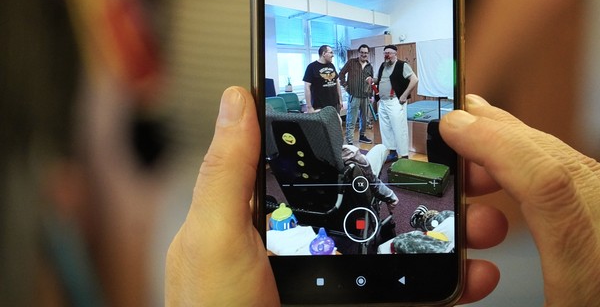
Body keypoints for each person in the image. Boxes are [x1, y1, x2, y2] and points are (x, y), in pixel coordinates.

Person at [166, 87, 600, 306]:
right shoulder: (350, 164)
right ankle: (402, 199)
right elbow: (367, 180)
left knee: (368, 153)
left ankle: (394, 185)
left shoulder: (282, 166)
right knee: (374, 157)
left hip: (315, 206)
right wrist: (371, 178)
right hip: (354, 189)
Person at [375, 44, 418, 162]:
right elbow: (379, 80)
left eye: (389, 53)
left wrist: (404, 95)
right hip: (383, 102)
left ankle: (404, 156)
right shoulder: (383, 65)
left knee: (400, 129)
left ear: (395, 54)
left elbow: (414, 79)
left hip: (395, 101)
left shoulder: (402, 65)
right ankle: (392, 153)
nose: (387, 55)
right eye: (385, 53)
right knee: (386, 129)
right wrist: (372, 80)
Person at [338, 44, 374, 145]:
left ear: (368, 54)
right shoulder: (351, 62)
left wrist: (370, 95)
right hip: (354, 95)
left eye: (366, 53)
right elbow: (341, 74)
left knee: (364, 119)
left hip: (365, 96)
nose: (364, 54)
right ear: (359, 52)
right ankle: (349, 140)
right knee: (351, 119)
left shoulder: (369, 67)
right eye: (362, 52)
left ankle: (362, 136)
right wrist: (345, 85)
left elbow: (370, 82)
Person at [303, 45, 343, 113]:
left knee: (336, 120)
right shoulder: (312, 67)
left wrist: (340, 100)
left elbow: (337, 83)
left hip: (334, 105)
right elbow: (307, 86)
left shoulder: (331, 65)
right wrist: (309, 107)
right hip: (320, 106)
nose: (333, 55)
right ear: (324, 53)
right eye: (331, 52)